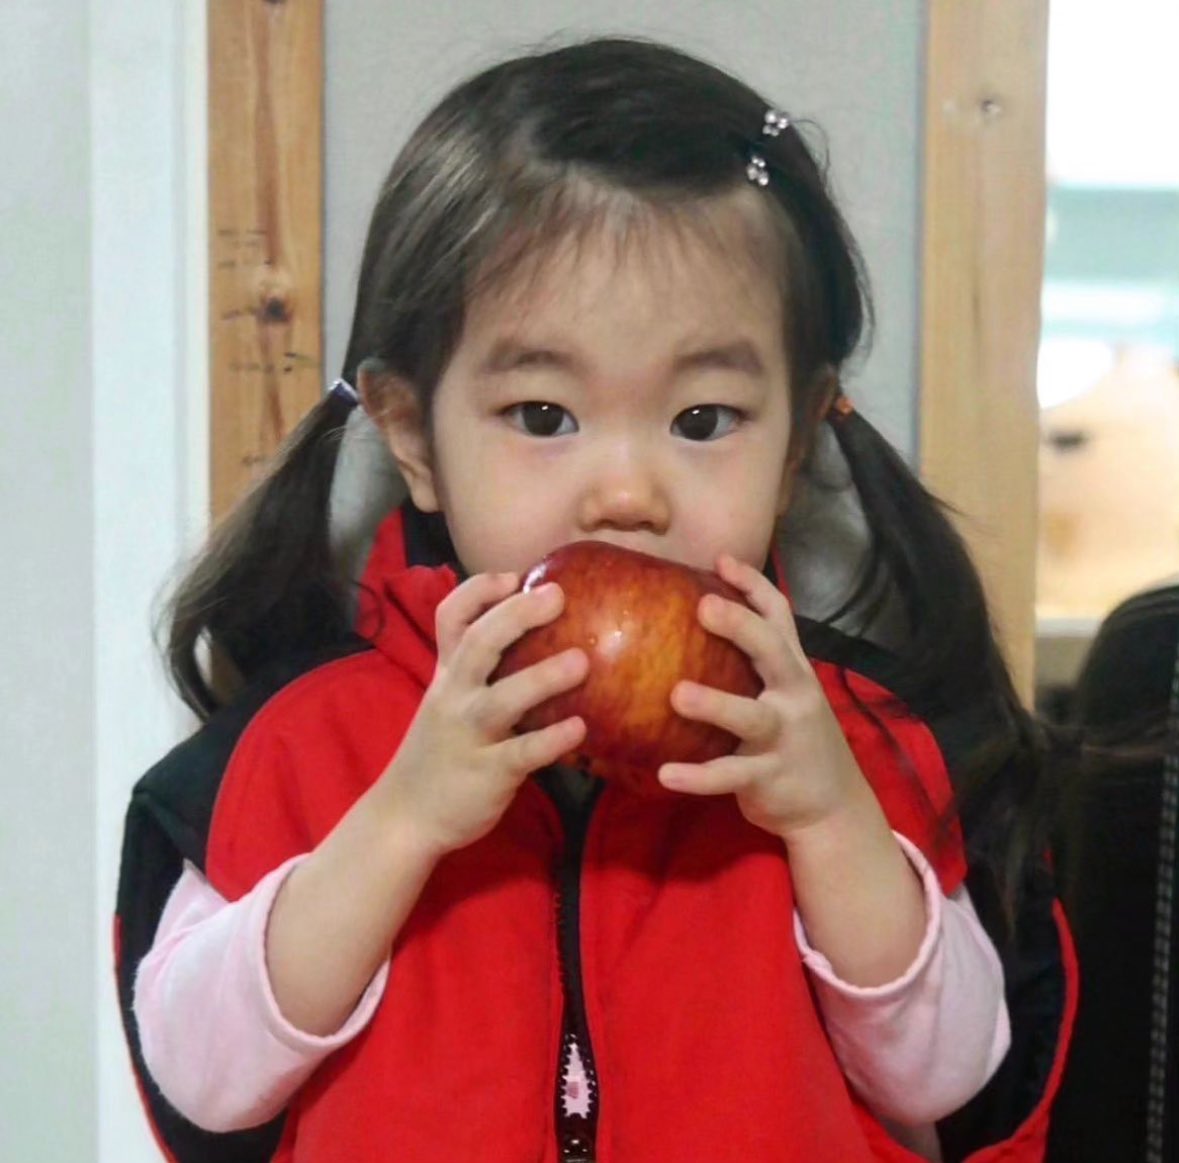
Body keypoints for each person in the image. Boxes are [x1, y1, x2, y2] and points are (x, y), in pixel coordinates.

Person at [114, 37, 1075, 1163]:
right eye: (543, 416)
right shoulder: (297, 748)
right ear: (413, 437)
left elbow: (955, 1076)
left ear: (797, 439)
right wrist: (401, 821)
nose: (626, 494)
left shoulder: (858, 747)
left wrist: (832, 824)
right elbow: (200, 1079)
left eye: (703, 420)